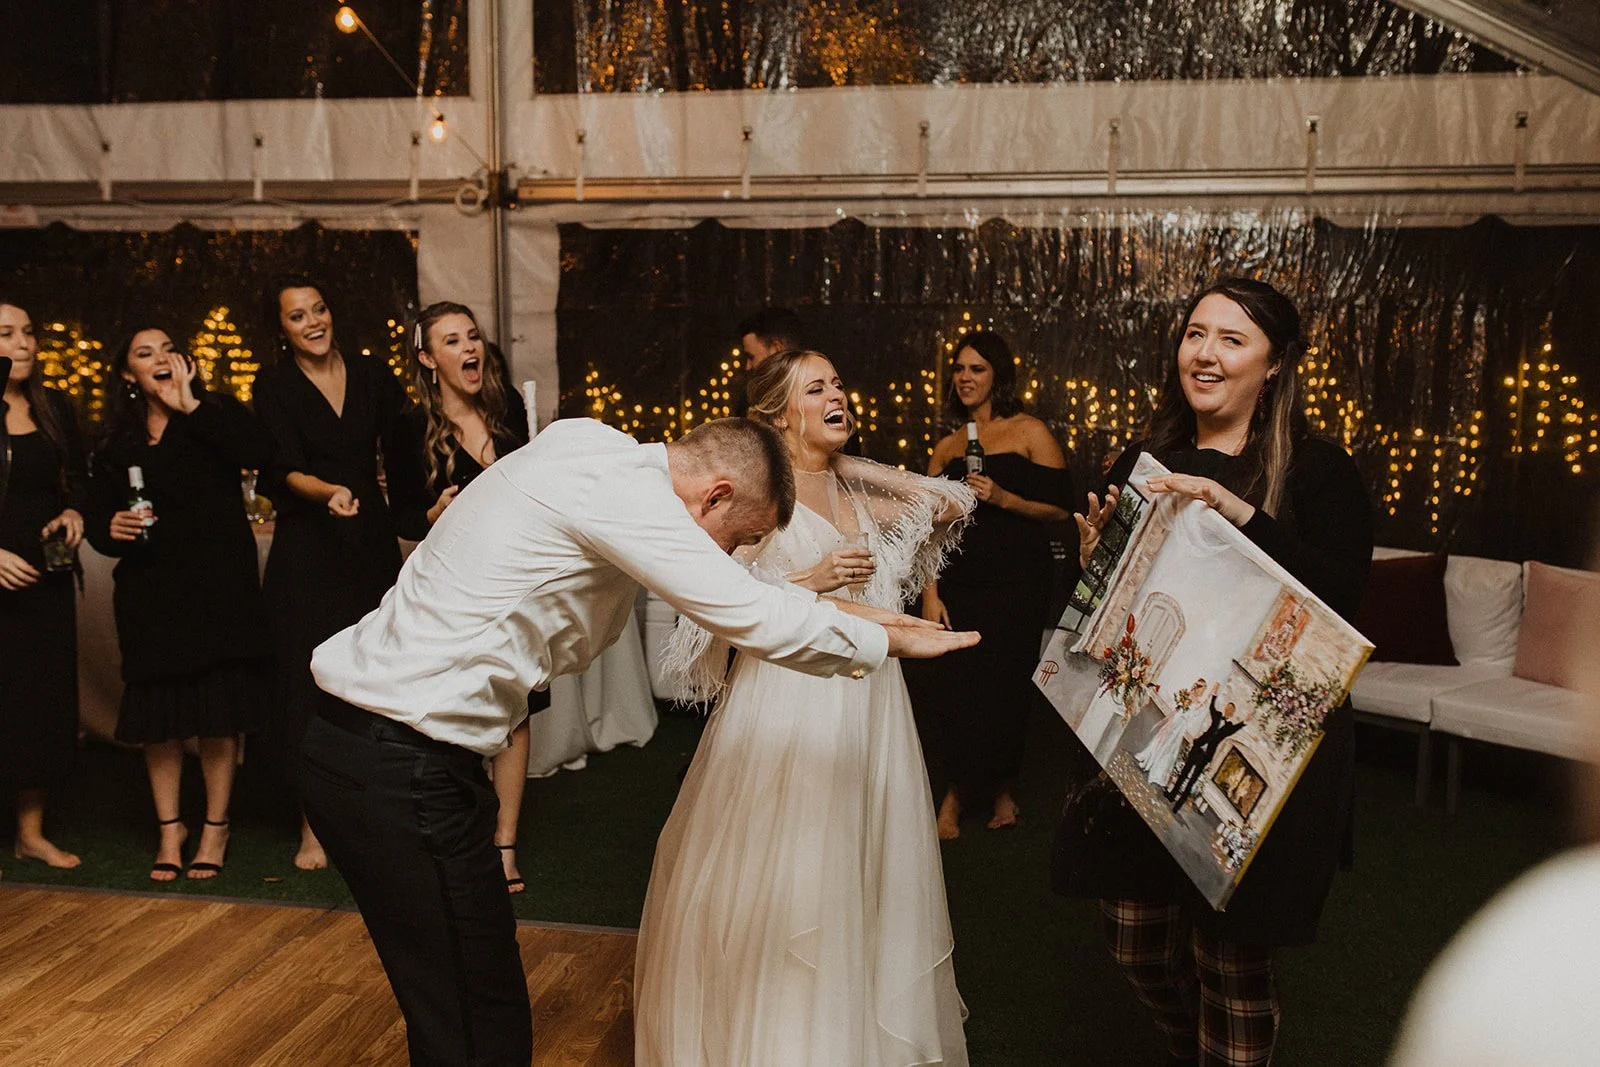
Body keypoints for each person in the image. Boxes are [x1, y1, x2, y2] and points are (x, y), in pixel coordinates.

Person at [302, 413, 979, 1067]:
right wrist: (889, 642)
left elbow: (755, 590)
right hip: (400, 764)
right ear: (715, 495)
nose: (732, 556)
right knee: (480, 1025)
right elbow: (748, 608)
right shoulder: (631, 498)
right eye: (738, 537)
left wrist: (876, 620)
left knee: (463, 1007)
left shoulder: (592, 447)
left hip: (374, 750)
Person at [1064, 277, 1372, 1067]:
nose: (1205, 353)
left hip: (1261, 749)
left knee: (1231, 963)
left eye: (1232, 339)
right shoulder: (1147, 462)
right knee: (1135, 939)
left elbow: (1344, 605)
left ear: (1274, 364)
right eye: (1196, 333)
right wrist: (1097, 563)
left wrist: (1240, 514)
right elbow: (1112, 617)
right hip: (1144, 741)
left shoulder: (1318, 471)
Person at [636, 351, 974, 1066]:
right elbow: (707, 617)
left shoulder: (856, 489)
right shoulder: (758, 493)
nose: (836, 395)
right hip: (789, 701)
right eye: (815, 388)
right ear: (779, 413)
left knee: (864, 862)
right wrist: (808, 580)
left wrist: (848, 464)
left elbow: (953, 500)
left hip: (871, 703)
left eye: (839, 384)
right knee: (795, 873)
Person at [86, 327, 273, 881]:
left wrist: (191, 405)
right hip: (150, 596)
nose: (161, 358)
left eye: (168, 348)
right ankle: (171, 829)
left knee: (217, 715)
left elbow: (258, 455)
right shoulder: (118, 441)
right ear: (128, 374)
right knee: (160, 720)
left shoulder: (213, 413)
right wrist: (110, 527)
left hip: (219, 594)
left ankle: (216, 827)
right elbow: (97, 517)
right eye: (145, 354)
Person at [386, 301, 548, 894]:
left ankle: (504, 846)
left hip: (514, 583)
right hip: (452, 589)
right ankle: (456, 836)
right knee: (455, 711)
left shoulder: (509, 415)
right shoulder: (407, 427)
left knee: (515, 709)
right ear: (429, 359)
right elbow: (403, 518)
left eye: (472, 336)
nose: (469, 348)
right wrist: (435, 512)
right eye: (452, 341)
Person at [253, 276, 408, 871]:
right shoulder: (273, 384)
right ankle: (312, 827)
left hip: (368, 542)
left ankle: (378, 811)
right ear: (281, 329)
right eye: (297, 316)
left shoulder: (371, 374)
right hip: (307, 548)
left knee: (376, 674)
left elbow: (403, 445)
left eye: (319, 309)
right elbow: (281, 469)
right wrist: (328, 492)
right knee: (306, 682)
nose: (313, 321)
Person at [922, 330, 1073, 838]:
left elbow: (1062, 509)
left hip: (1019, 580)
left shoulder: (1029, 431)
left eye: (977, 369)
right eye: (959, 369)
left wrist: (1004, 498)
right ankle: (957, 791)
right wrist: (930, 594)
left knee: (1007, 684)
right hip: (961, 582)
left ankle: (1004, 787)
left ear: (998, 376)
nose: (965, 377)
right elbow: (927, 531)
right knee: (958, 685)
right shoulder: (946, 448)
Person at [0, 298, 87, 870]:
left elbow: (77, 480)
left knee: (40, 704)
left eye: (28, 331)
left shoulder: (54, 407)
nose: (23, 343)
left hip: (45, 579)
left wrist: (75, 511)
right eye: (7, 333)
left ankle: (29, 834)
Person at [1166, 698, 1243, 813]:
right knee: (1184, 773)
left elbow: (1235, 729)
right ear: (1225, 708)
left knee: (1192, 781)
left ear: (1232, 714)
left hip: (1205, 756)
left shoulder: (1229, 726)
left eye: (1231, 710)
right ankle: (1171, 795)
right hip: (1198, 748)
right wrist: (1214, 695)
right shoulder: (1217, 716)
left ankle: (1178, 806)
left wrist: (1244, 722)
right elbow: (1212, 707)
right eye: (1228, 707)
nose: (1228, 710)